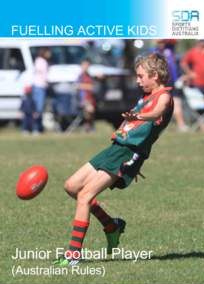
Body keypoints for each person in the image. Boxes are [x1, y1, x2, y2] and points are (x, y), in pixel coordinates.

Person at [53, 53, 174, 266]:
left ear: (154, 75)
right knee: (71, 186)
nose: (137, 81)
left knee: (84, 197)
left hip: (127, 153)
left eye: (140, 76)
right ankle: (111, 225)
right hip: (115, 148)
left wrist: (137, 120)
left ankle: (73, 255)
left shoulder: (164, 96)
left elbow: (157, 113)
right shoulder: (145, 96)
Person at [153, 40, 189, 132]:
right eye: (160, 42)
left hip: (173, 82)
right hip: (161, 83)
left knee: (177, 104)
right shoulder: (154, 52)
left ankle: (181, 125)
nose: (161, 44)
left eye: (162, 42)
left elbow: (174, 39)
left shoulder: (170, 49)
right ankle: (157, 126)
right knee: (160, 105)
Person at [181, 40, 204, 131]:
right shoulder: (193, 51)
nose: (201, 42)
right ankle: (203, 126)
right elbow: (184, 63)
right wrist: (190, 73)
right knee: (201, 104)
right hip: (197, 84)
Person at [32, 47, 51, 134]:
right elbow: (44, 75)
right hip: (40, 86)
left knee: (37, 108)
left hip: (36, 86)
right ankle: (36, 128)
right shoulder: (43, 62)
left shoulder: (37, 61)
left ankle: (37, 128)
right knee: (38, 108)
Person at [77, 58, 96, 132]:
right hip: (83, 99)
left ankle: (89, 126)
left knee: (91, 110)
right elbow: (77, 86)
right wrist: (88, 87)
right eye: (84, 65)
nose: (86, 67)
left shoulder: (89, 75)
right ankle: (88, 126)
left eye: (87, 65)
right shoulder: (80, 76)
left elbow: (93, 86)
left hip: (90, 98)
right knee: (89, 109)